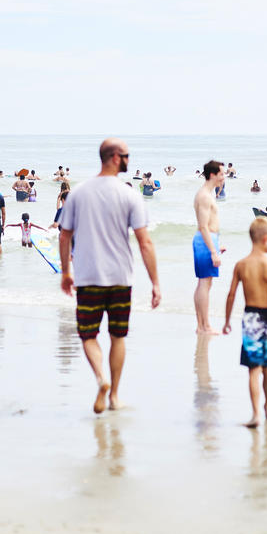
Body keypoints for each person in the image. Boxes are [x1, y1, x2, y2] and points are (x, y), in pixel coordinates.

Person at [58, 138, 161, 413]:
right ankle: (114, 395)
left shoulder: (79, 193)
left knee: (88, 335)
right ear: (115, 157)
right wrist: (155, 283)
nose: (129, 159)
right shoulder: (130, 195)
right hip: (120, 278)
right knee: (118, 336)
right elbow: (145, 242)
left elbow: (64, 235)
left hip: (88, 277)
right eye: (126, 155)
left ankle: (101, 378)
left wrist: (66, 272)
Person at [222, 216, 267, 428]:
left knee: (253, 369)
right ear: (266, 239)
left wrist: (227, 321)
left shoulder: (241, 265)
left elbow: (231, 295)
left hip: (251, 317)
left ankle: (255, 413)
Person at [193, 160, 226, 334]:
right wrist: (213, 250)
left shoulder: (207, 194)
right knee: (204, 284)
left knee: (204, 284)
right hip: (205, 240)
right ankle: (204, 326)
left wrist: (216, 245)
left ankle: (201, 326)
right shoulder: (205, 196)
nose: (224, 177)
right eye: (221, 174)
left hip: (207, 240)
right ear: (212, 175)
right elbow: (203, 225)